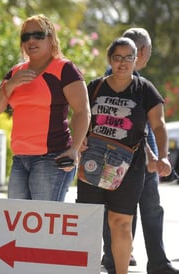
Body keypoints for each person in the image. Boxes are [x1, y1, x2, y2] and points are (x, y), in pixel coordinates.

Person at [76, 37, 171, 274]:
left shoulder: (145, 89)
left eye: (128, 57)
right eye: (117, 57)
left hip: (129, 167)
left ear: (136, 60)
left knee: (121, 222)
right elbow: (79, 117)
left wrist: (163, 156)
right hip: (92, 161)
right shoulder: (95, 87)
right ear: (110, 59)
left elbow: (158, 126)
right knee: (89, 221)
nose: (123, 63)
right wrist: (79, 140)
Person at [0, 14, 90, 201]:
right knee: (17, 222)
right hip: (20, 159)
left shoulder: (64, 69)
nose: (31, 40)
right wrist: (9, 85)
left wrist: (74, 149)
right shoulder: (16, 72)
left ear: (50, 38)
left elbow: (82, 110)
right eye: (25, 37)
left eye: (37, 35)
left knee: (44, 225)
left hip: (52, 158)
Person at [101, 28, 179, 274]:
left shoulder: (137, 81)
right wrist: (152, 156)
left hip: (140, 155)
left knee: (145, 207)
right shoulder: (115, 79)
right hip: (129, 156)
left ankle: (149, 261)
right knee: (123, 208)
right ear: (144, 51)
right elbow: (124, 126)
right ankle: (118, 260)